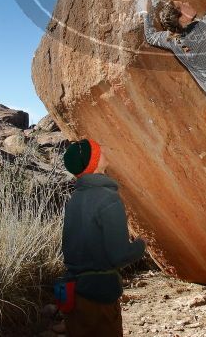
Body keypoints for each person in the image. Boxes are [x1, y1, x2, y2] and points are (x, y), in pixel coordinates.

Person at [60, 139, 146, 337]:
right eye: (100, 151)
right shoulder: (107, 198)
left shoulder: (74, 200)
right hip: (99, 296)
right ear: (94, 161)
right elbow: (119, 256)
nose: (105, 151)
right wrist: (142, 244)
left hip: (73, 293)